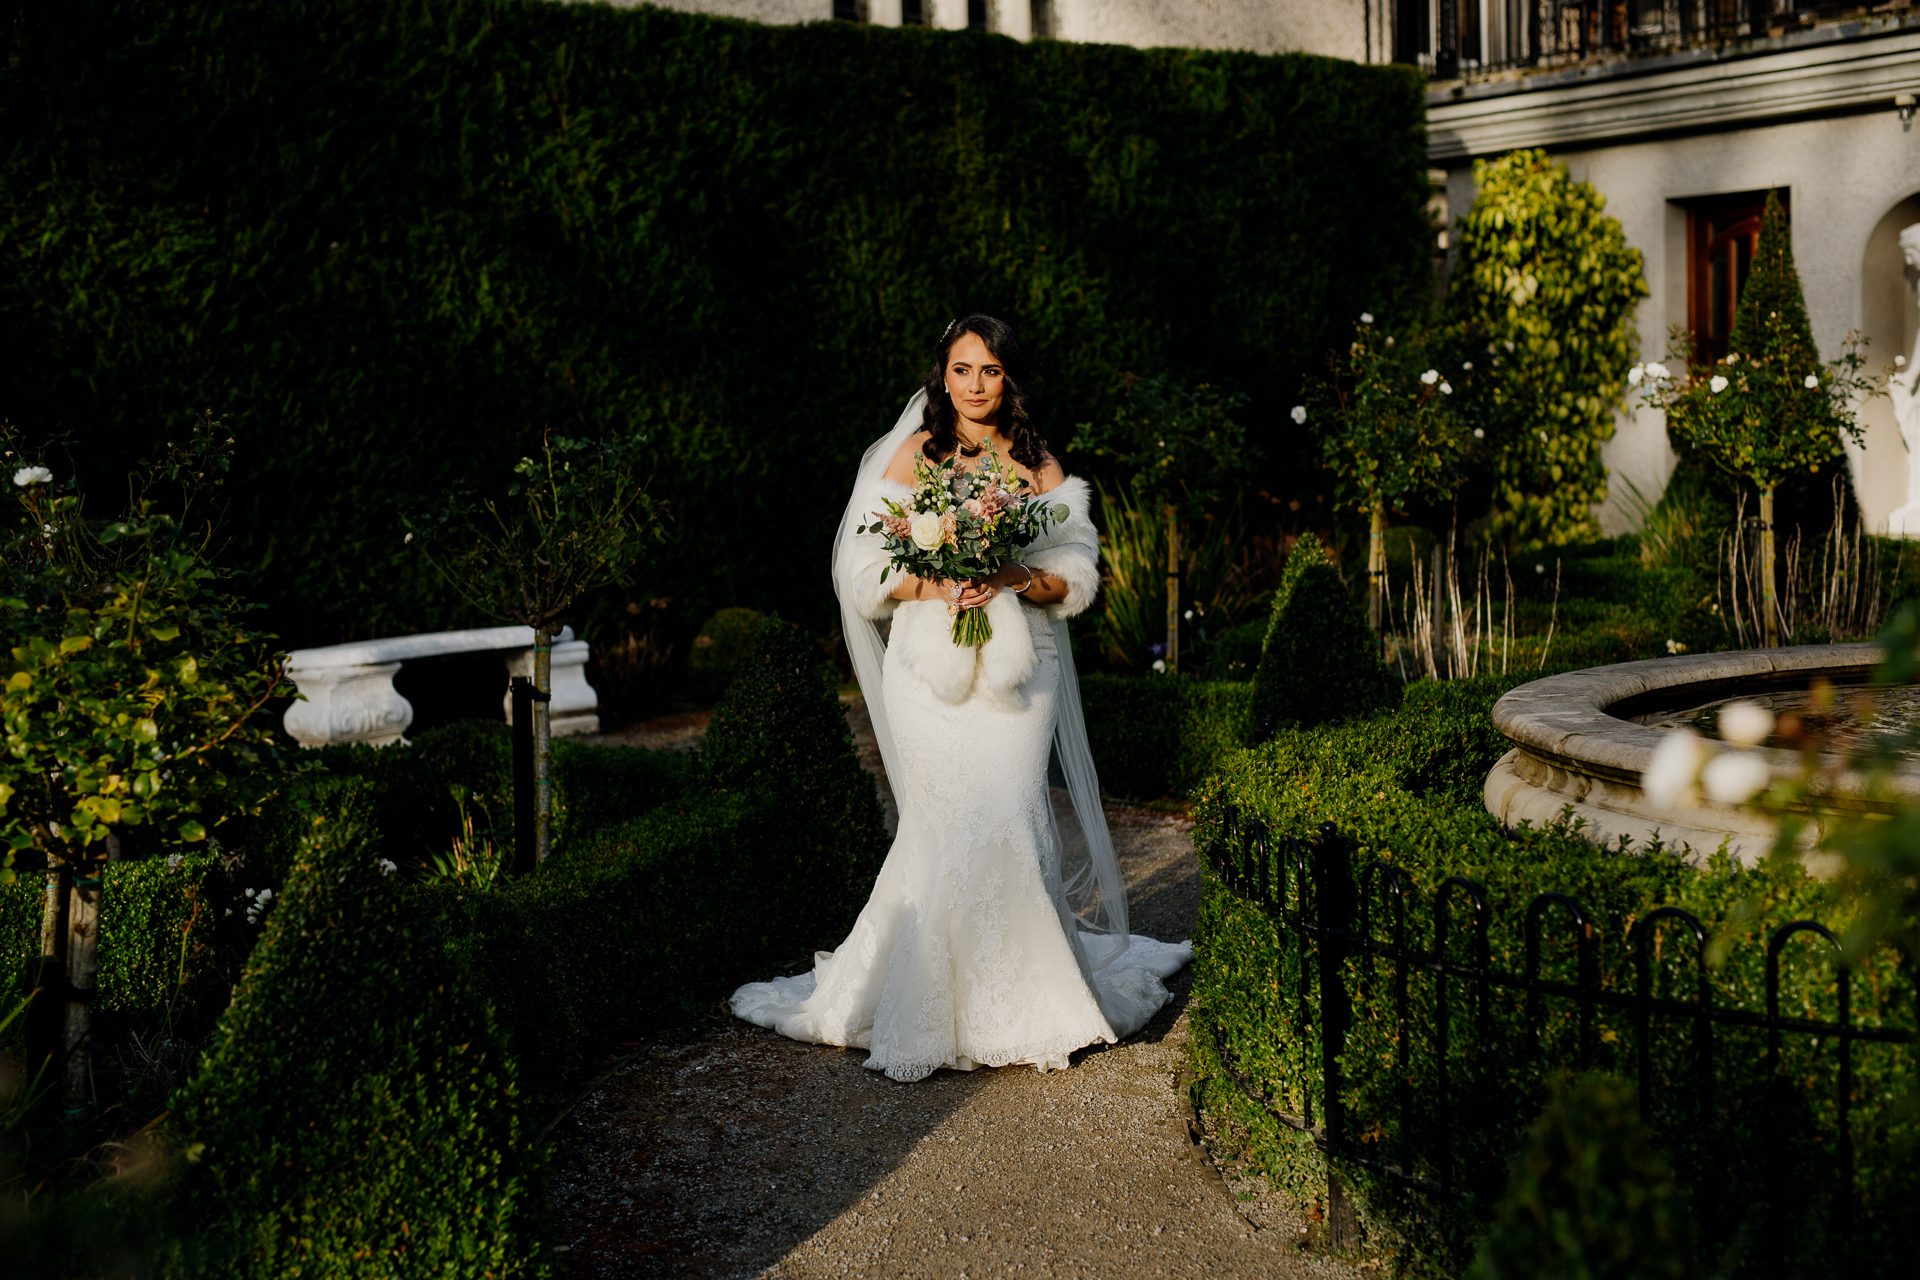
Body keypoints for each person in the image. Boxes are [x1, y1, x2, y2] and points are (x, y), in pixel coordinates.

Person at [729, 315, 1192, 1082]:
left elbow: (1077, 576)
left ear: (1010, 378)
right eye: (963, 369)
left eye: (992, 371)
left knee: (1013, 813)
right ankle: (928, 1007)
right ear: (941, 377)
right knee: (941, 828)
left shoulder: (1039, 463)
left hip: (1021, 670)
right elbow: (863, 575)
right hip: (927, 675)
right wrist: (936, 577)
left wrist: (1014, 577)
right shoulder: (914, 456)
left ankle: (1032, 1004)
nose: (976, 385)